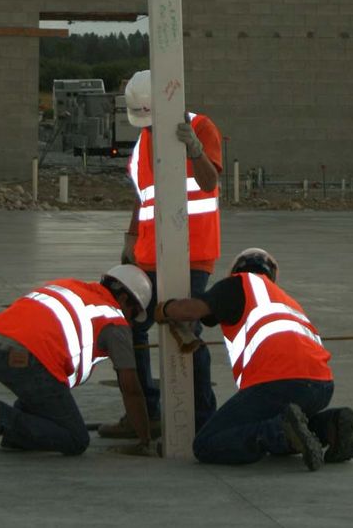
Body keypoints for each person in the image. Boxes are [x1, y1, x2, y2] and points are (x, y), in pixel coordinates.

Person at [98, 69, 223, 438]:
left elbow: (209, 182)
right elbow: (142, 198)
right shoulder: (142, 144)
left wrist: (194, 150)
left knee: (187, 331)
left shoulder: (200, 126)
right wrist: (131, 239)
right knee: (131, 328)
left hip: (192, 252)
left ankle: (202, 420)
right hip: (148, 254)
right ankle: (145, 411)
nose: (150, 128)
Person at [154, 248, 353, 471]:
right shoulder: (285, 300)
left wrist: (164, 309)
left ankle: (279, 432)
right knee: (281, 427)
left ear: (236, 270)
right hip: (321, 386)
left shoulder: (238, 284)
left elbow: (190, 310)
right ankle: (331, 424)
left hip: (279, 384)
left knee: (207, 443)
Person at [0, 264, 158, 459]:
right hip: (27, 360)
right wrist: (144, 439)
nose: (131, 323)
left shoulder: (71, 286)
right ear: (123, 299)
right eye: (133, 314)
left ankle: (16, 434)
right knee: (76, 439)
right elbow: (131, 388)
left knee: (43, 404)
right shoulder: (114, 320)